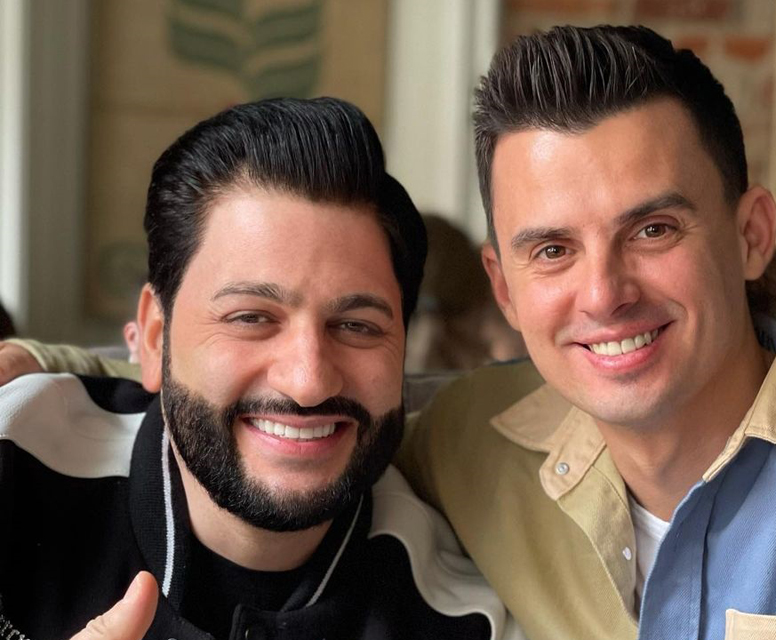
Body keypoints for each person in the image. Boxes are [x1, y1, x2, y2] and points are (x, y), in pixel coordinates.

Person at [2, 25, 776, 640]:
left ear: (751, 234)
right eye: (552, 250)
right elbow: (309, 403)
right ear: (502, 284)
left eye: (654, 230)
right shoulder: (476, 436)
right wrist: (49, 364)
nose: (604, 293)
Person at [0, 97, 520, 640]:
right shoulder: (14, 462)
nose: (308, 382)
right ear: (154, 337)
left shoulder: (465, 616)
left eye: (356, 326)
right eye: (251, 318)